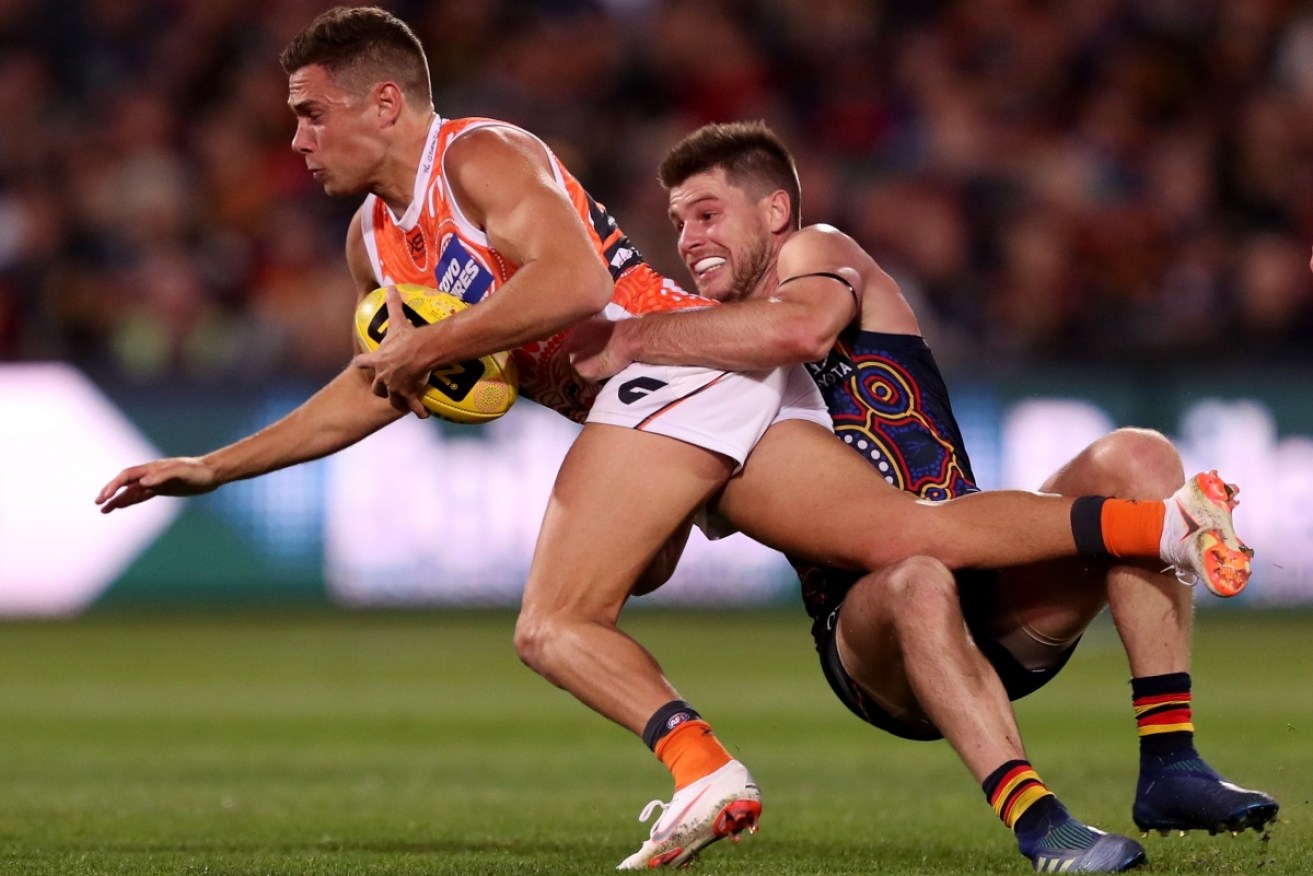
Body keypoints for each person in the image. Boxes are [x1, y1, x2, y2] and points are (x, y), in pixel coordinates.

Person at [92, 10, 1251, 870]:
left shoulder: (480, 157)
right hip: (673, 397)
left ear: (382, 103)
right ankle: (1163, 531)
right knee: (912, 535)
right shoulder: (371, 248)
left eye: (309, 110)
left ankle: (704, 770)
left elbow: (573, 279)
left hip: (661, 370)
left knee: (552, 623)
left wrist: (422, 353)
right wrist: (212, 465)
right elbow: (372, 386)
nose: (292, 135)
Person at [567, 120, 1278, 872]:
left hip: (996, 598)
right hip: (877, 639)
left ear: (775, 212)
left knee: (1137, 454)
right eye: (677, 222)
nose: (687, 238)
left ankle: (1170, 764)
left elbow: (803, 329)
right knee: (913, 569)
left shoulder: (815, 254)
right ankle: (1040, 822)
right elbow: (650, 569)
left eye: (706, 213)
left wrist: (632, 340)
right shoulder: (696, 369)